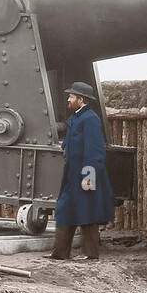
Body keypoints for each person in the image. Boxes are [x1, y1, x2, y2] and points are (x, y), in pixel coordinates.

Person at [47, 81, 115, 261]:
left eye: (71, 96)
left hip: (85, 174)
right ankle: (59, 253)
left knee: (87, 212)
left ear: (81, 99)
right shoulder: (77, 117)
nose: (68, 99)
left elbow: (95, 151)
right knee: (65, 210)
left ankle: (91, 255)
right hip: (72, 174)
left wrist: (88, 177)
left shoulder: (90, 119)